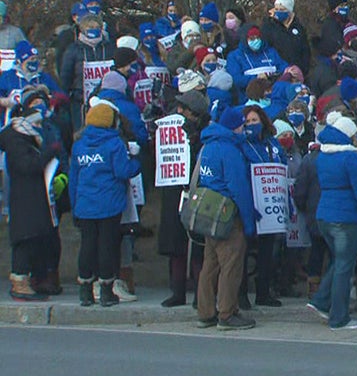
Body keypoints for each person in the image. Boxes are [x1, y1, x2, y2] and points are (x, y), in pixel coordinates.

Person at [305, 112, 357, 330]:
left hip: (324, 215)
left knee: (339, 262)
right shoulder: (351, 158)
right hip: (346, 218)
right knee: (345, 267)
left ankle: (320, 300)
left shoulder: (323, 156)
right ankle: (339, 317)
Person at [69, 100, 143, 307]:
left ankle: (85, 290)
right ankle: (106, 290)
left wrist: (75, 205)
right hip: (109, 204)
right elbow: (123, 171)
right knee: (107, 247)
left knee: (87, 246)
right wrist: (136, 162)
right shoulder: (114, 144)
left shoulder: (79, 145)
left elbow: (74, 178)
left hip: (85, 205)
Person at [195, 106, 258, 330]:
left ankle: (205, 312)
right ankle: (227, 313)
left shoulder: (208, 146)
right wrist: (249, 220)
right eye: (242, 125)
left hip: (208, 212)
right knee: (231, 265)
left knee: (210, 265)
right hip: (228, 214)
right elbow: (238, 188)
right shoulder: (230, 150)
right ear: (235, 127)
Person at [0, 103, 65, 301]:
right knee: (25, 242)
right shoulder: (16, 141)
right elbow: (29, 167)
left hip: (33, 200)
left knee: (34, 240)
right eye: (36, 122)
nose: (39, 127)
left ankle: (32, 280)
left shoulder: (25, 139)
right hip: (24, 202)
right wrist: (48, 154)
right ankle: (20, 282)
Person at [157, 89, 210, 307]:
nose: (178, 111)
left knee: (197, 246)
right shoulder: (169, 131)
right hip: (173, 192)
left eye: (183, 109)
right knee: (175, 246)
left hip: (196, 192)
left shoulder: (203, 135)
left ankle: (201, 294)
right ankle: (177, 291)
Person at [240, 105, 287, 307]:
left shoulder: (272, 144)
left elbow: (283, 167)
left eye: (254, 121)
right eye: (248, 122)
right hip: (250, 202)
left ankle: (263, 292)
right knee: (242, 251)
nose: (252, 125)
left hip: (271, 204)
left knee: (268, 252)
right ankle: (240, 294)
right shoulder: (241, 145)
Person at [60, 13, 114, 131]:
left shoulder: (109, 47)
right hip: (80, 101)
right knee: (82, 131)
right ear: (82, 29)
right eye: (89, 27)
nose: (93, 30)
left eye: (96, 27)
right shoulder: (73, 49)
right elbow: (66, 76)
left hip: (105, 98)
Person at [225, 25, 288, 94]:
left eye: (258, 38)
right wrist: (256, 78)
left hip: (274, 91)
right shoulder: (235, 56)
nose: (256, 41)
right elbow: (236, 79)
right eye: (252, 39)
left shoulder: (270, 52)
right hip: (249, 96)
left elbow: (282, 66)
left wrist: (289, 70)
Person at [262, 0, 310, 74]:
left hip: (298, 72)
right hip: (278, 72)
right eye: (276, 9)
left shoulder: (298, 28)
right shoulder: (269, 27)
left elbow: (305, 50)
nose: (278, 12)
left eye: (282, 10)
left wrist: (303, 70)